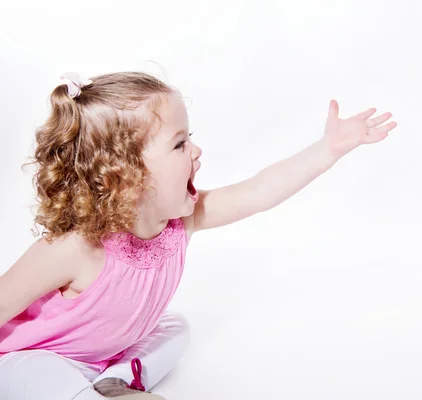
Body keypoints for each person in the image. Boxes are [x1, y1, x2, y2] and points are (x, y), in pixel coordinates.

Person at [0, 71, 397, 399]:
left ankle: (113, 383)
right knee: (38, 375)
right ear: (125, 176)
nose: (197, 151)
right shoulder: (75, 249)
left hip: (104, 353)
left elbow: (257, 192)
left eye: (189, 138)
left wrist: (327, 149)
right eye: (179, 143)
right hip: (31, 357)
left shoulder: (177, 223)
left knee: (177, 328)